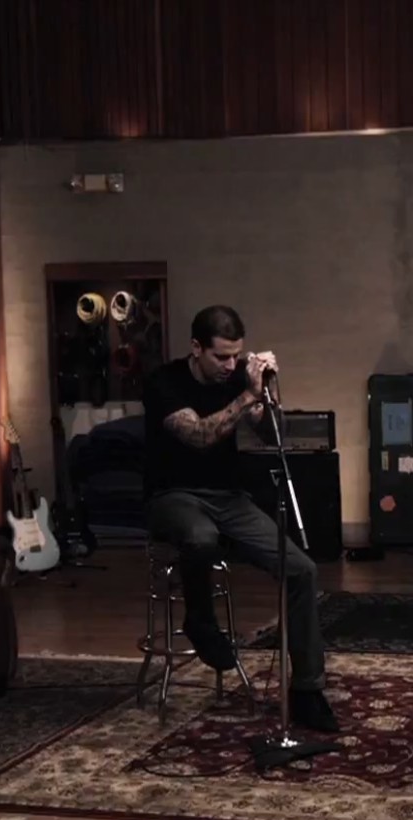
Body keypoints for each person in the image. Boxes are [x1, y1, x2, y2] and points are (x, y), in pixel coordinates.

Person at [142, 304, 337, 732]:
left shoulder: (235, 380)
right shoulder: (163, 383)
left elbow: (273, 435)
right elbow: (198, 435)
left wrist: (266, 392)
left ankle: (307, 690)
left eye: (236, 356)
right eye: (221, 357)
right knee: (200, 535)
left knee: (302, 570)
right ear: (196, 348)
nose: (230, 366)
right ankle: (200, 619)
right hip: (173, 496)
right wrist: (246, 394)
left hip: (229, 499)